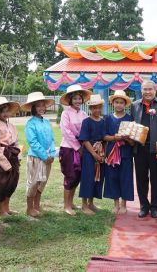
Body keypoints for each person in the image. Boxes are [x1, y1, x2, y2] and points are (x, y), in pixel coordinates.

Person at [130, 80, 157, 218]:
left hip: (156, 149)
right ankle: (143, 206)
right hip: (139, 148)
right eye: (144, 89)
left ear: (155, 90)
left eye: (150, 89)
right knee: (141, 178)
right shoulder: (134, 105)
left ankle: (155, 207)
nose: (147, 92)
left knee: (155, 179)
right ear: (141, 91)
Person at [22, 92, 56, 218]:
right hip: (36, 157)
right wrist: (44, 156)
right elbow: (33, 142)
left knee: (42, 181)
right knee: (33, 182)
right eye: (38, 106)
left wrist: (52, 154)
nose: (41, 108)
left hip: (48, 158)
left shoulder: (46, 122)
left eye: (43, 105)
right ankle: (29, 208)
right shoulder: (30, 123)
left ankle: (37, 205)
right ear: (33, 108)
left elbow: (52, 139)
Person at [59, 85, 91, 216]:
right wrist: (78, 147)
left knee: (78, 176)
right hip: (69, 148)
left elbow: (87, 131)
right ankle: (66, 205)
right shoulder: (65, 113)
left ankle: (71, 202)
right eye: (75, 99)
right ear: (70, 100)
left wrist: (85, 146)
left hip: (82, 148)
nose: (77, 101)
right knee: (70, 176)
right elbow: (66, 132)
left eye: (79, 98)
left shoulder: (84, 114)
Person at [0, 97, 22, 217]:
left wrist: (18, 157)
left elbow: (16, 142)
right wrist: (5, 164)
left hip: (13, 156)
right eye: (2, 111)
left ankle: (7, 208)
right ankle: (1, 210)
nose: (5, 114)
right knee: (2, 184)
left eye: (7, 111)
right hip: (3, 158)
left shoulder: (12, 126)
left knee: (11, 183)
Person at [103, 90, 135, 214]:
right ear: (113, 103)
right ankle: (115, 203)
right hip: (111, 154)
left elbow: (133, 141)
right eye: (117, 102)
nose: (119, 105)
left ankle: (124, 204)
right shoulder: (108, 118)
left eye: (122, 102)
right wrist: (115, 138)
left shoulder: (130, 118)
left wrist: (127, 139)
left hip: (126, 153)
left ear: (125, 104)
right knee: (112, 177)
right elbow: (104, 136)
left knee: (125, 178)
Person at [78, 94, 106, 215]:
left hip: (101, 152)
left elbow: (105, 138)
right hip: (90, 153)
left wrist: (102, 154)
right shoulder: (86, 122)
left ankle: (91, 202)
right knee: (88, 177)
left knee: (97, 177)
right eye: (94, 108)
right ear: (90, 109)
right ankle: (84, 204)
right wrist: (94, 154)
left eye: (99, 107)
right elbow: (85, 140)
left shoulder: (104, 122)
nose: (97, 110)